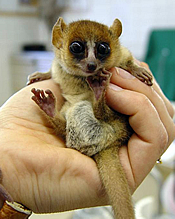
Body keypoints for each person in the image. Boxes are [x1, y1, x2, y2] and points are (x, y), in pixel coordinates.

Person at [0, 61, 174, 214]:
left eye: (101, 50)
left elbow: (124, 61)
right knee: (76, 109)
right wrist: (16, 169)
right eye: (77, 49)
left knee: (87, 106)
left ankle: (68, 111)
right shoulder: (63, 68)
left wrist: (131, 69)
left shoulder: (111, 65)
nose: (91, 62)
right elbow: (61, 69)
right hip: (85, 133)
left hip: (107, 131)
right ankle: (57, 114)